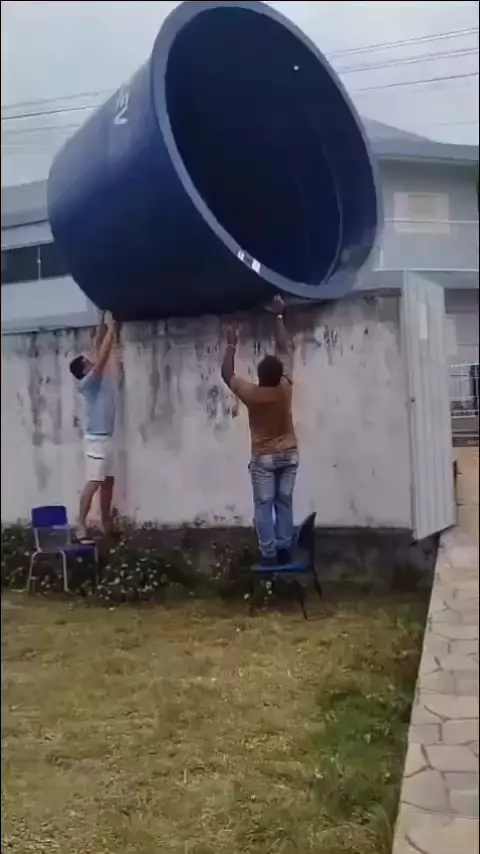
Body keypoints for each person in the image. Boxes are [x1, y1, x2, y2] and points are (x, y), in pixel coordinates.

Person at [221, 295, 298, 566]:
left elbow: (226, 374)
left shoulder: (253, 395)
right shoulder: (285, 388)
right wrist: (279, 315)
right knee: (284, 501)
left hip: (264, 457)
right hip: (290, 453)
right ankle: (284, 546)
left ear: (260, 376)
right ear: (279, 375)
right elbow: (285, 347)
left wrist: (231, 343)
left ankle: (269, 554)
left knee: (264, 504)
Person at [69, 311, 119, 539]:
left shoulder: (95, 376)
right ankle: (81, 524)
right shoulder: (89, 382)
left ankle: (106, 524)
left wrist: (101, 320)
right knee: (94, 482)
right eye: (87, 362)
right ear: (84, 370)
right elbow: (103, 355)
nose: (91, 361)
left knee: (108, 481)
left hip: (107, 437)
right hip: (96, 441)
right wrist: (113, 328)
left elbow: (98, 347)